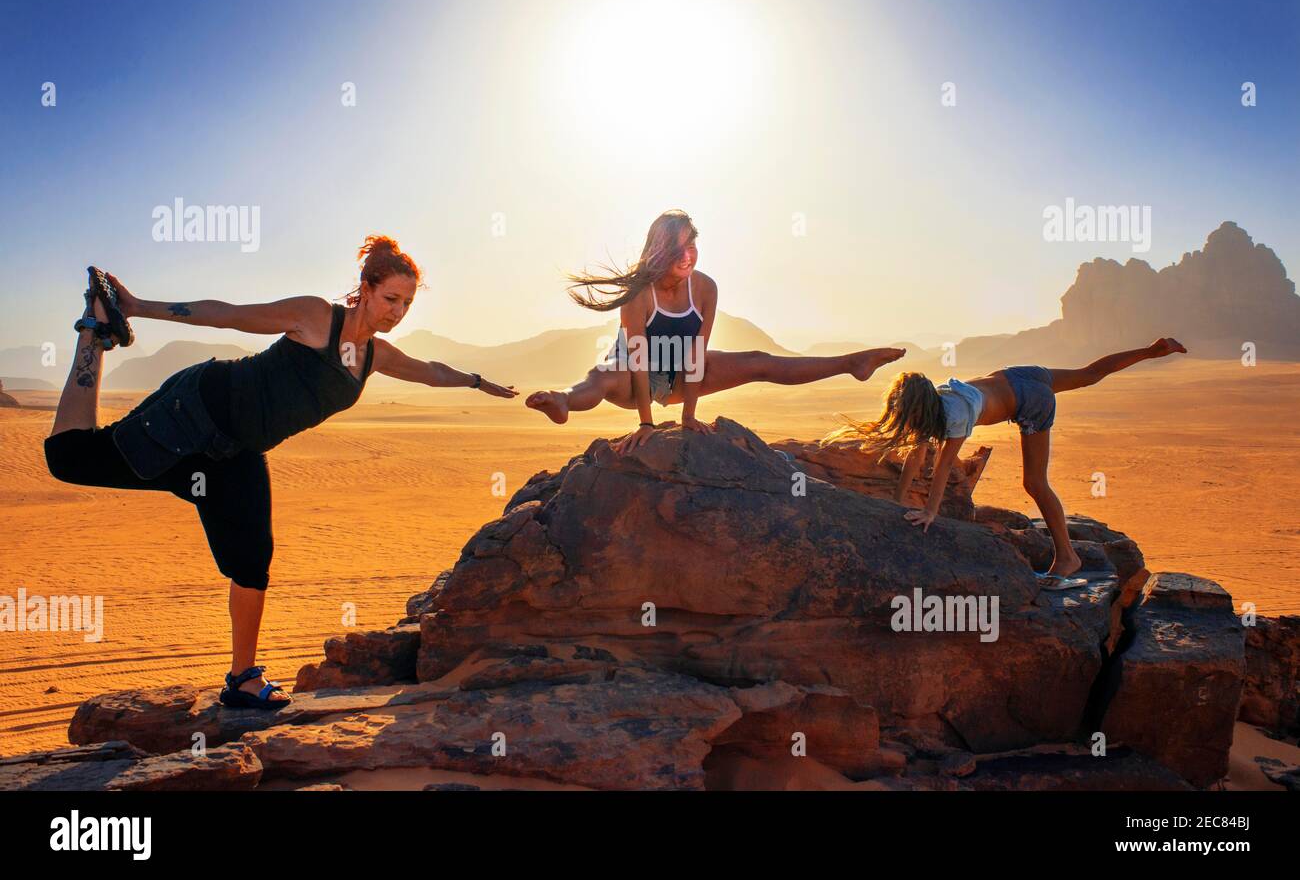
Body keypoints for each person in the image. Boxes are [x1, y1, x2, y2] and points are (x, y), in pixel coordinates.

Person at [43, 237, 517, 708]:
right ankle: (96, 330)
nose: (398, 311)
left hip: (237, 451)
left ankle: (242, 679)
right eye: (391, 298)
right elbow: (229, 313)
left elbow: (429, 370)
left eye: (408, 303)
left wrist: (475, 381)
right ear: (366, 289)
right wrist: (138, 306)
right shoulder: (316, 317)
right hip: (198, 410)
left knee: (253, 559)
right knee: (70, 459)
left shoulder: (375, 356)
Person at [525, 209, 905, 453]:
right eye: (677, 248)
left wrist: (689, 415)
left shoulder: (705, 288)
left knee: (758, 361)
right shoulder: (639, 295)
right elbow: (638, 363)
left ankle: (850, 363)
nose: (687, 254)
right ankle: (563, 401)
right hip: (632, 376)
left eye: (691, 245)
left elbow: (695, 356)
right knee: (604, 375)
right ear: (657, 251)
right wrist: (645, 422)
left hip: (680, 373)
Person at [828, 339, 1187, 589]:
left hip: (1031, 400)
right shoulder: (933, 398)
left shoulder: (953, 414)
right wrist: (898, 500)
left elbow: (942, 466)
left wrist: (930, 512)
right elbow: (916, 454)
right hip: (1017, 374)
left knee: (1035, 483)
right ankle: (1154, 350)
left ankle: (1067, 557)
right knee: (1089, 373)